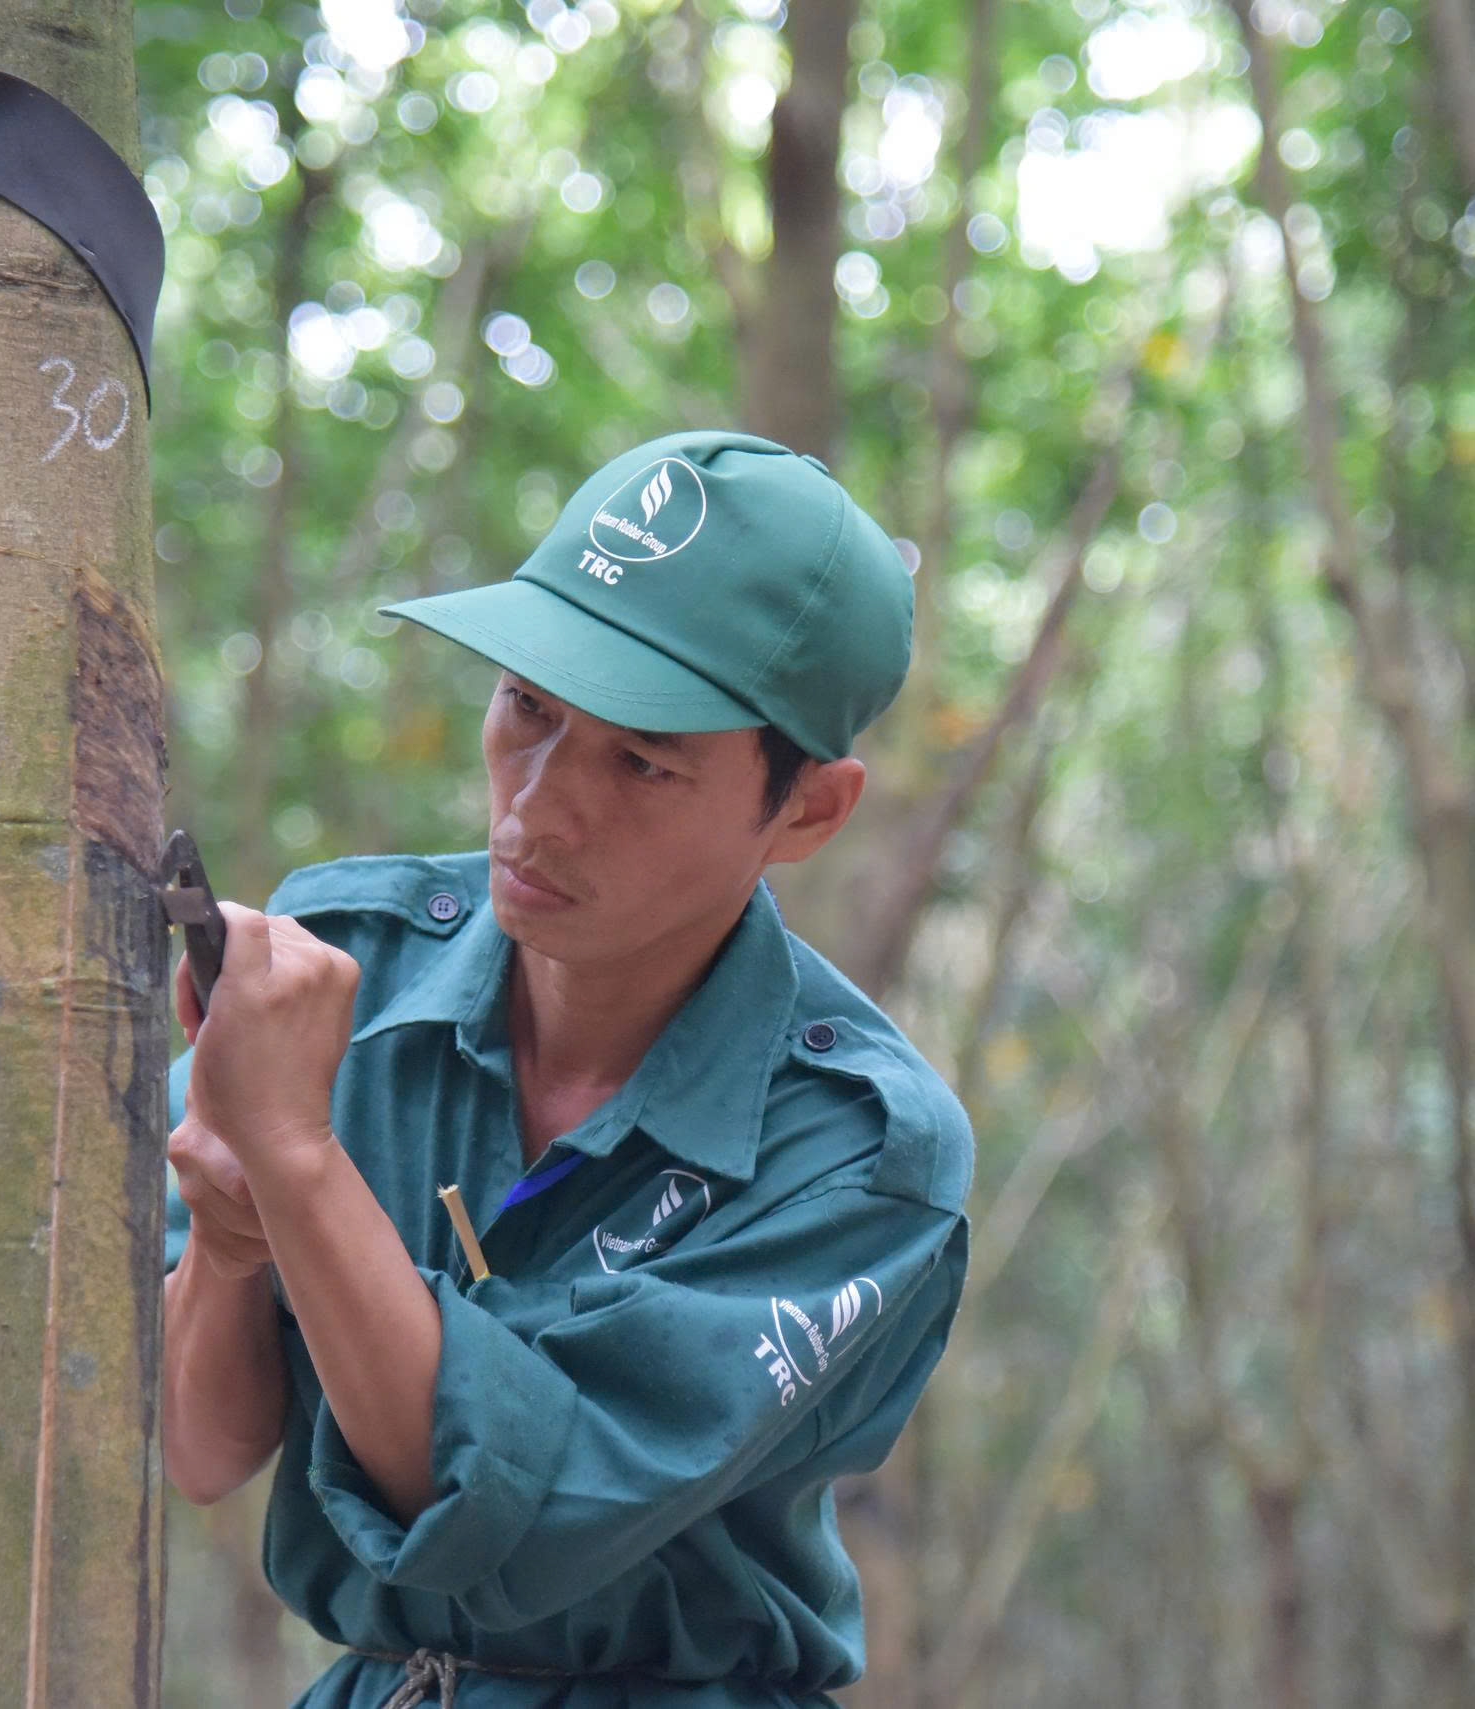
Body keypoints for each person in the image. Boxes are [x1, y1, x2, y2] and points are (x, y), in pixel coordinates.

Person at [163, 428, 975, 1708]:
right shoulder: (350, 975)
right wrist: (227, 1235)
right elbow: (201, 1448)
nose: (537, 805)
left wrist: (296, 1161)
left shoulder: (853, 1145)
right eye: (528, 706)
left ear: (806, 810)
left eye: (642, 760)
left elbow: (497, 1516)